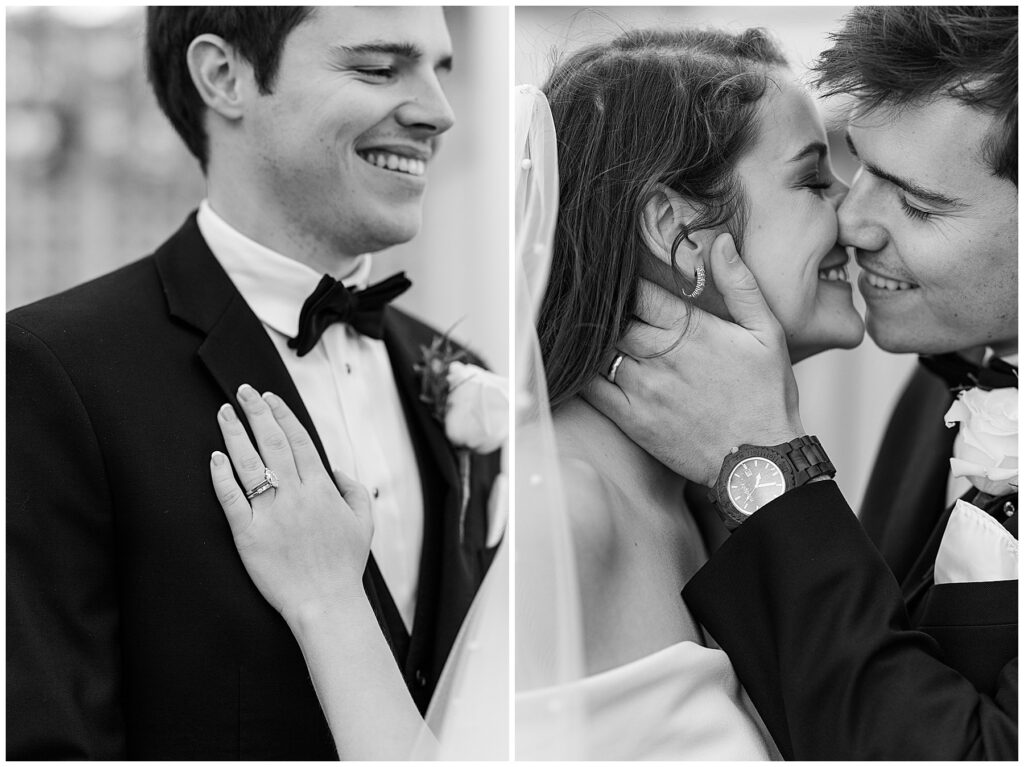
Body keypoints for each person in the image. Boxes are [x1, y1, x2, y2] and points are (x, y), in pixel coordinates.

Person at [7, 7, 501, 759]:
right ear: (224, 75)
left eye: (440, 70)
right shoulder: (52, 368)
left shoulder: (465, 375)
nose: (438, 112)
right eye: (378, 67)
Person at [586, 6, 1017, 759]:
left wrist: (773, 475)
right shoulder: (940, 392)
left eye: (917, 202)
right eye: (852, 168)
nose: (852, 220)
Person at [515, 26, 865, 759]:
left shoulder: (702, 489)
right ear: (675, 226)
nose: (854, 216)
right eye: (811, 179)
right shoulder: (552, 506)